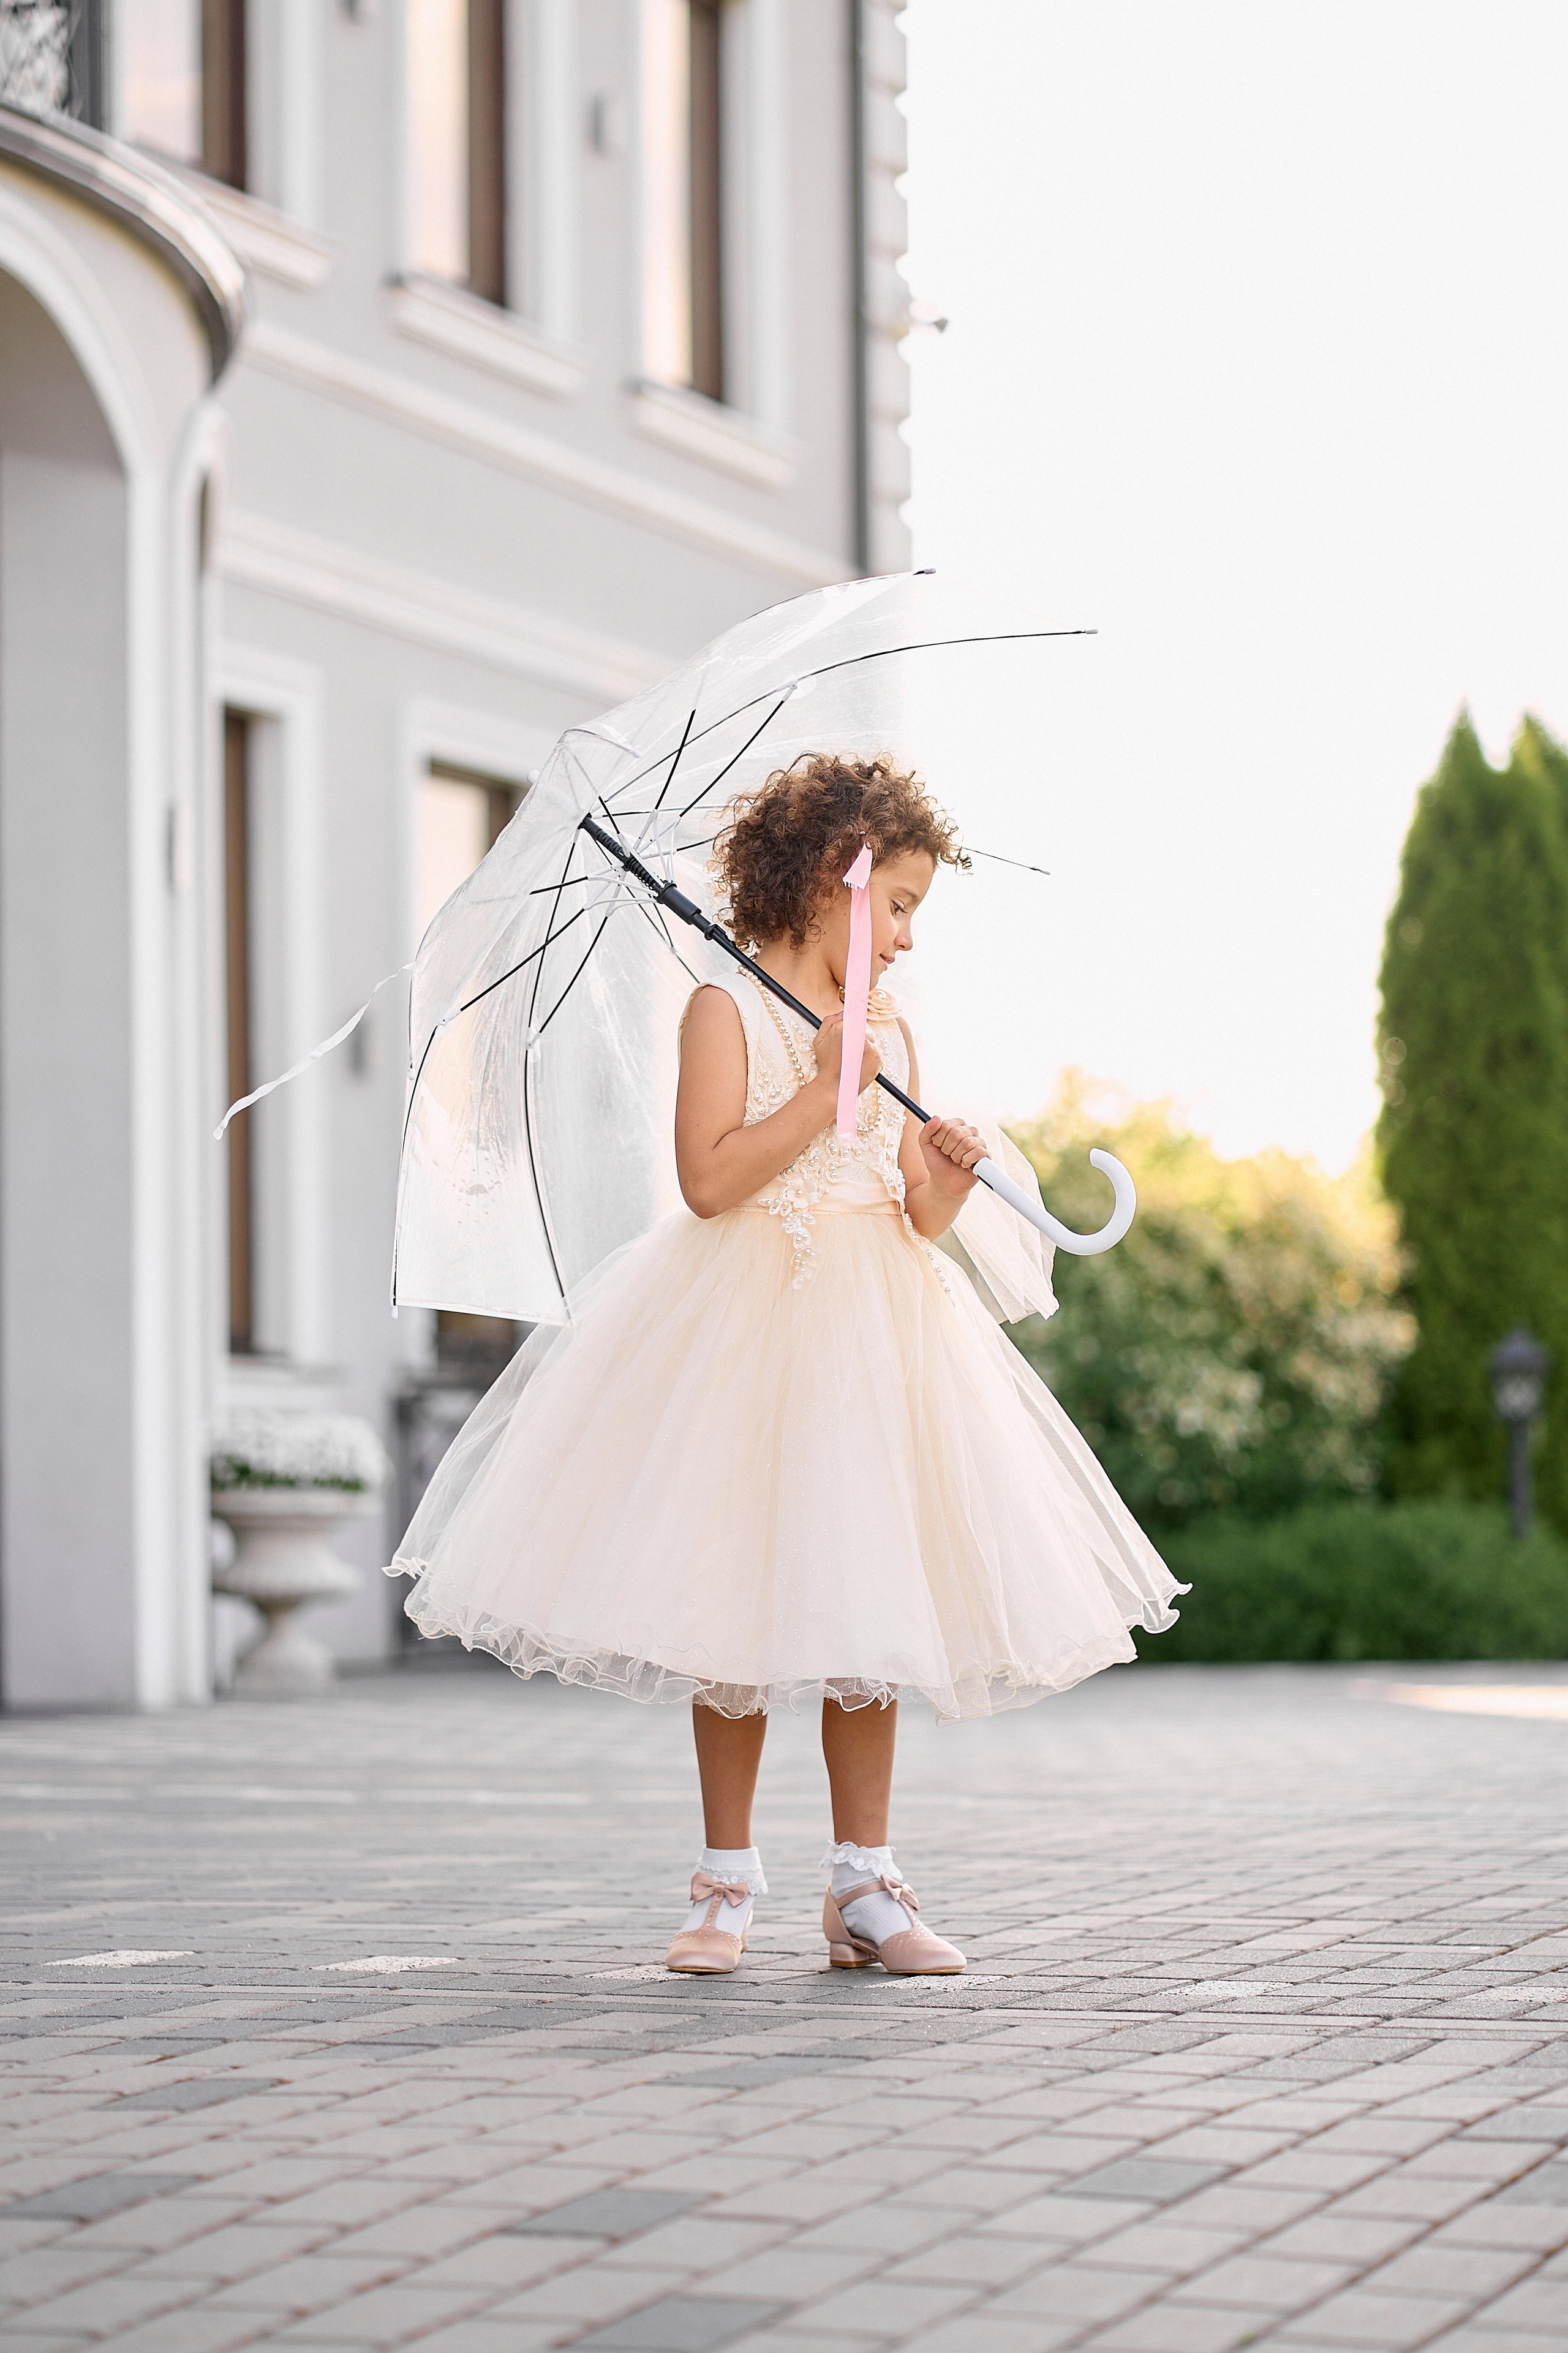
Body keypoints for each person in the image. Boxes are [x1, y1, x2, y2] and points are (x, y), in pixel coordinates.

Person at [391, 753, 1184, 1977]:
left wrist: (943, 1177)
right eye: (899, 905)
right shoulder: (726, 1008)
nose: (908, 938)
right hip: (748, 1320)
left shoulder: (892, 1029)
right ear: (832, 882)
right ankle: (725, 1878)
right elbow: (709, 1182)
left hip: (875, 1331)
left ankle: (863, 1881)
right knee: (732, 1602)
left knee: (871, 1605)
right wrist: (820, 1095)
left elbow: (907, 1207)